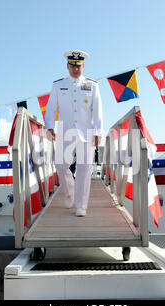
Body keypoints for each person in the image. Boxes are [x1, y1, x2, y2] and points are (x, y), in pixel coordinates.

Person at [45, 50, 103, 217]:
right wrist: (50, 126)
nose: (75, 69)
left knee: (85, 169)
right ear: (67, 66)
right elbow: (51, 107)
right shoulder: (58, 85)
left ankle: (81, 206)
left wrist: (98, 131)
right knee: (61, 165)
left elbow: (97, 110)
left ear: (83, 66)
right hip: (65, 132)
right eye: (72, 66)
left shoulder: (92, 85)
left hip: (87, 132)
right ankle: (69, 192)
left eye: (78, 66)